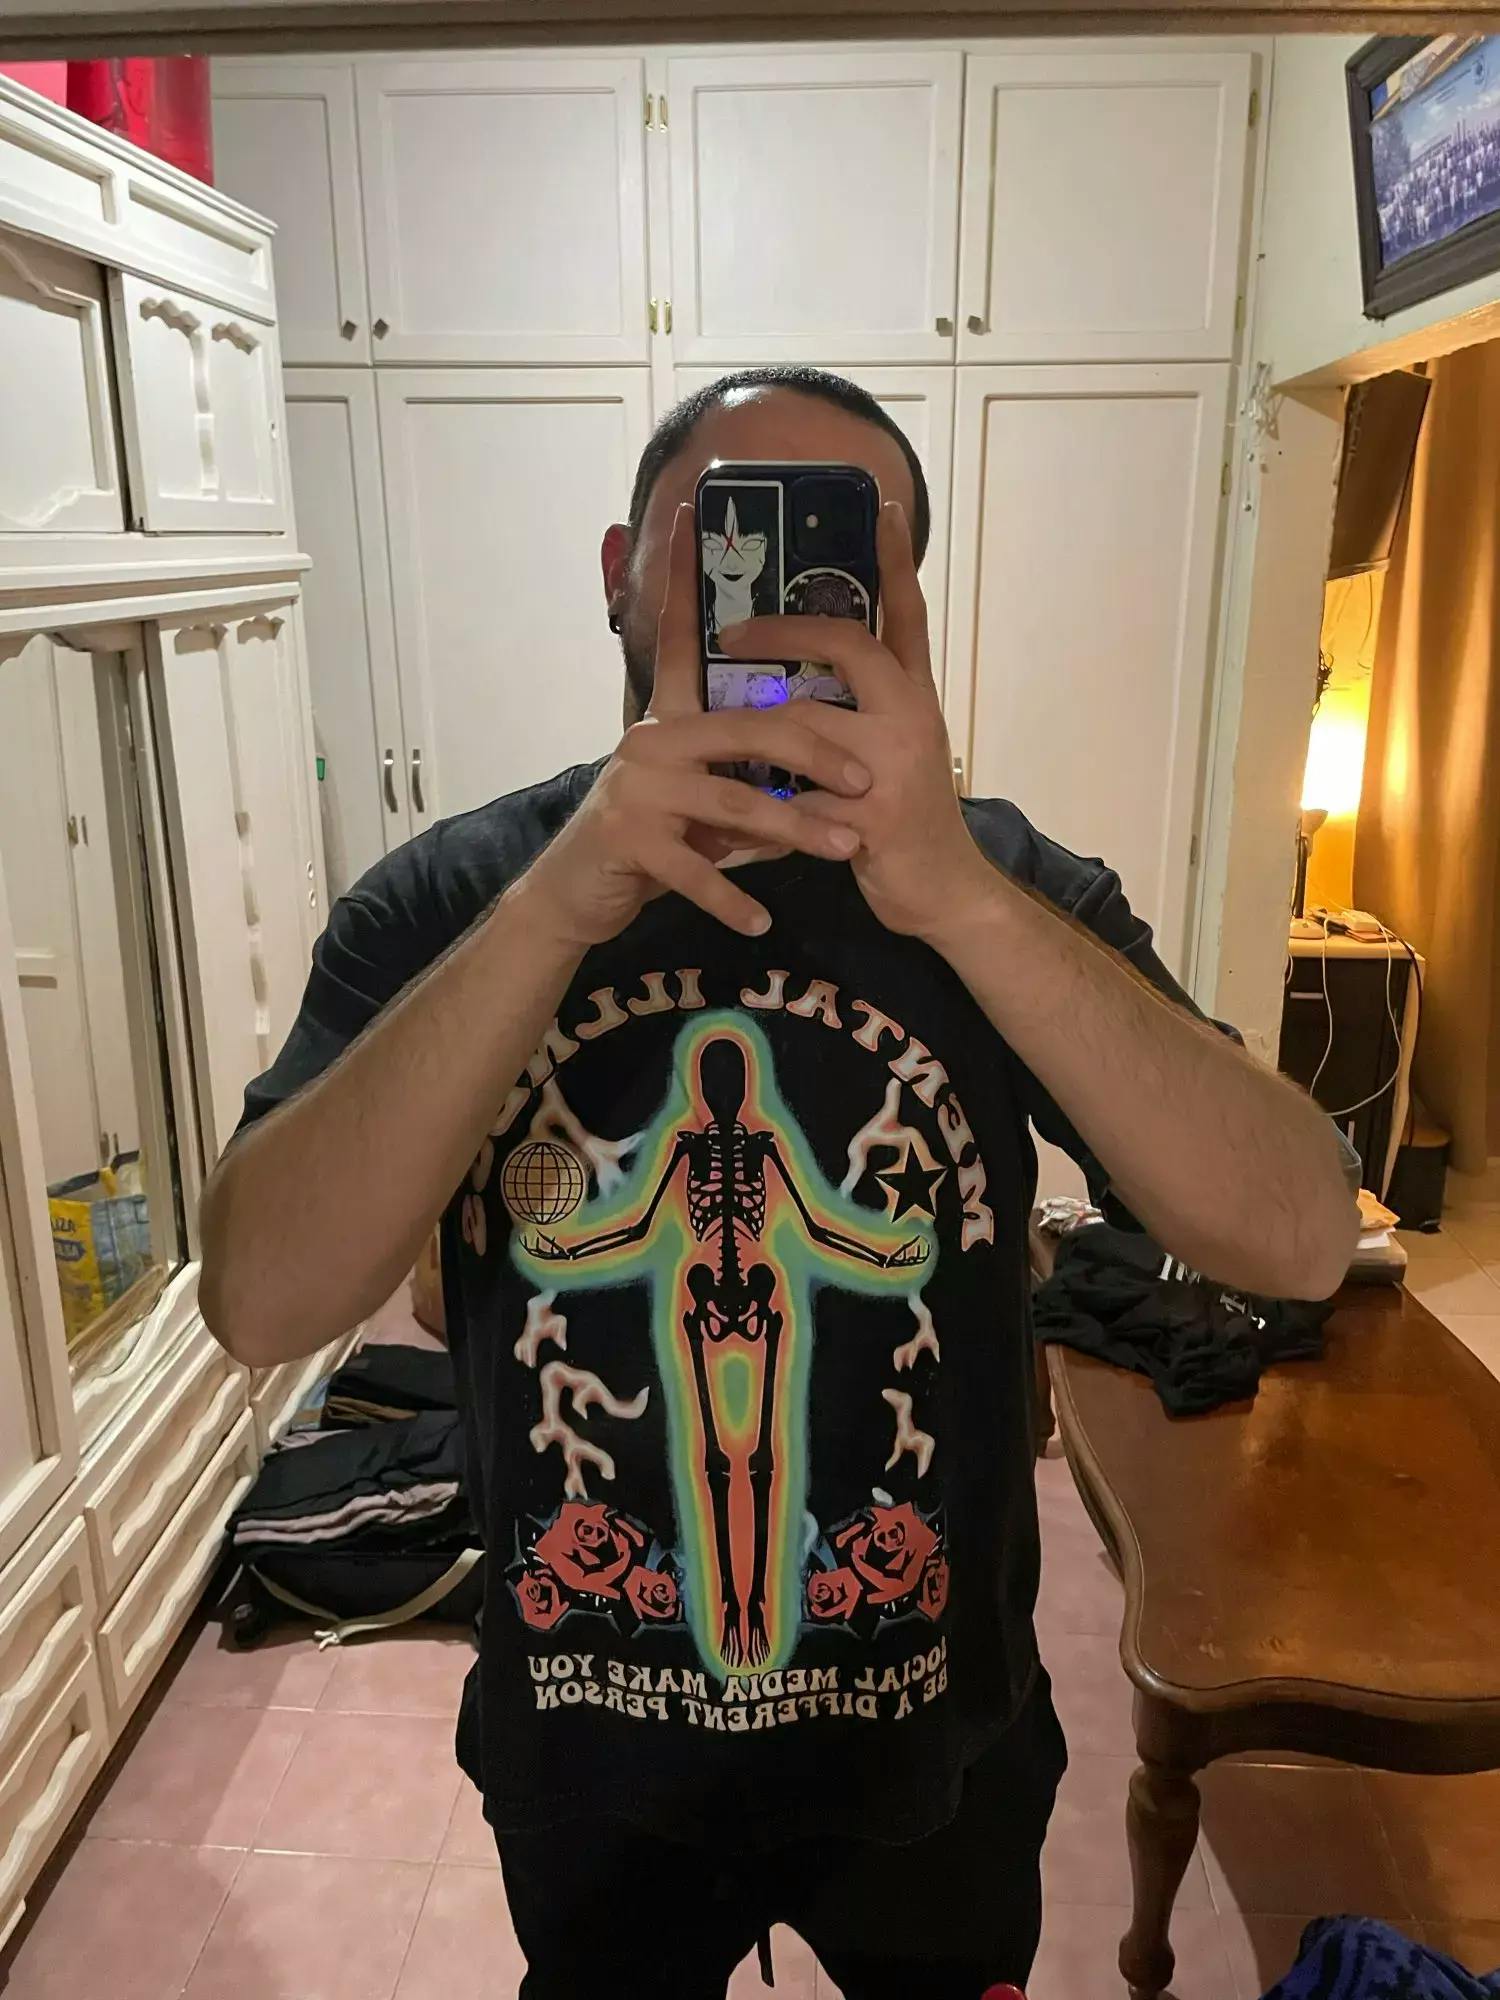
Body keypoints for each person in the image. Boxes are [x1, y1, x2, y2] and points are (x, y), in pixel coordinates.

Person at [200, 366, 1357, 1999]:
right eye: (727, 534)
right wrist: (563, 906)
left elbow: (1301, 1238)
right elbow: (261, 1301)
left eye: (844, 560)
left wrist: (954, 893)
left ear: (902, 610)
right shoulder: (454, 898)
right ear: (625, 570)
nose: (785, 602)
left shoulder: (1010, 888)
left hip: (933, 1750)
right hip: (588, 1757)